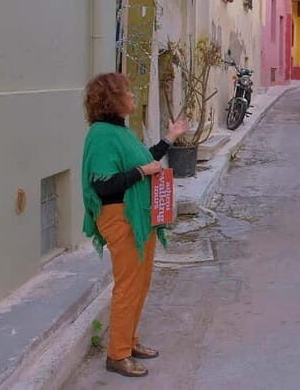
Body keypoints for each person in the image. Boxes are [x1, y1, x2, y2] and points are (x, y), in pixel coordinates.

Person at [82, 73, 189, 377]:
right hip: (121, 218)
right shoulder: (102, 134)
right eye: (126, 92)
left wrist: (169, 138)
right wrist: (143, 171)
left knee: (141, 283)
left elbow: (146, 159)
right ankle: (116, 355)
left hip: (139, 217)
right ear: (111, 100)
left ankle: (129, 342)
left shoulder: (120, 131)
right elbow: (103, 184)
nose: (132, 96)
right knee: (128, 287)